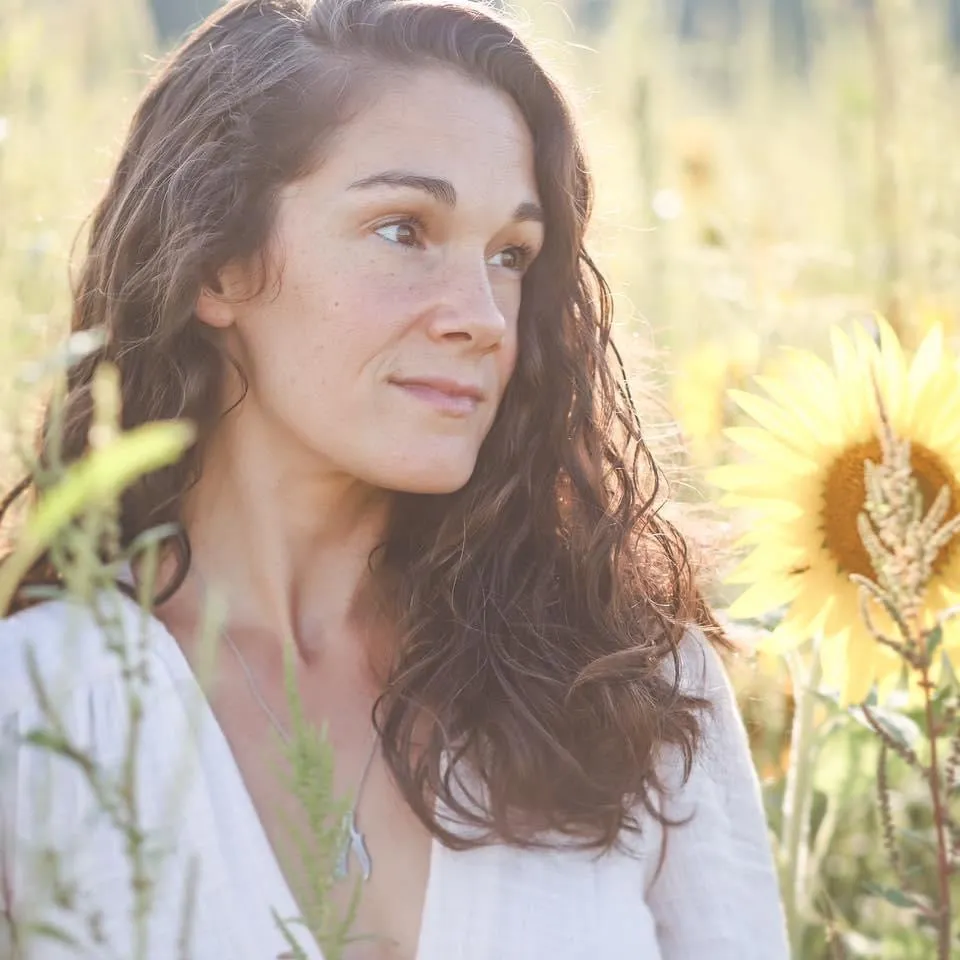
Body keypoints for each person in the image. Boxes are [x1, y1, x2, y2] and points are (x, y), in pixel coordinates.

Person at [0, 1, 790, 957]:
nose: (484, 317)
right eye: (402, 230)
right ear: (217, 264)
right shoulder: (38, 710)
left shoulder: (629, 691)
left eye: (510, 255)